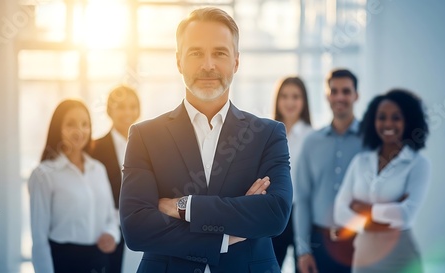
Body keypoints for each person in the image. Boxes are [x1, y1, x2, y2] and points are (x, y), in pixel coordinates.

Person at [119, 7, 292, 273]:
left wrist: (184, 207)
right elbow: (137, 228)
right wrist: (228, 234)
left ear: (236, 61)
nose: (208, 65)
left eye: (220, 53)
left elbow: (275, 214)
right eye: (196, 53)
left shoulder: (268, 134)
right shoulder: (145, 136)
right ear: (179, 61)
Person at [334, 89, 430, 273]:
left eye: (396, 118)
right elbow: (340, 211)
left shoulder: (418, 164)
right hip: (364, 254)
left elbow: (406, 215)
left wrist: (364, 209)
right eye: (382, 117)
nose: (388, 123)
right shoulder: (360, 161)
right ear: (373, 121)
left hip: (401, 257)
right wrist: (380, 219)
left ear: (408, 121)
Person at [28, 99, 120, 273]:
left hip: (100, 261)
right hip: (64, 262)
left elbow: (110, 217)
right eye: (71, 124)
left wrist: (111, 235)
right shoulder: (44, 174)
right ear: (58, 128)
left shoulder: (98, 169)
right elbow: (39, 239)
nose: (79, 131)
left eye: (85, 124)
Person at [294, 69, 362, 273]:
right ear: (327, 96)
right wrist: (303, 251)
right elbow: (303, 199)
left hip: (359, 242)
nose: (340, 97)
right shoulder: (311, 142)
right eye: (334, 91)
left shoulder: (371, 141)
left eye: (346, 91)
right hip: (318, 244)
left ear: (356, 96)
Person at [91, 85, 141, 273]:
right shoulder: (94, 148)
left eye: (132, 106)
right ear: (109, 110)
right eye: (120, 107)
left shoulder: (149, 146)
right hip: (106, 229)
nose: (127, 112)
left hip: (141, 228)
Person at [271, 76, 312, 272]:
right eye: (284, 96)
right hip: (275, 211)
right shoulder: (268, 134)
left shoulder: (312, 137)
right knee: (270, 266)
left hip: (302, 213)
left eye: (295, 96)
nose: (289, 102)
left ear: (304, 101)